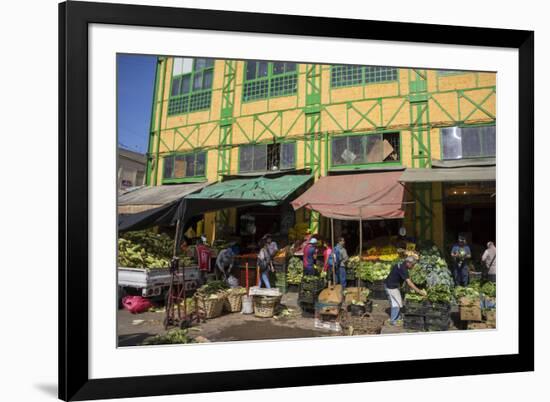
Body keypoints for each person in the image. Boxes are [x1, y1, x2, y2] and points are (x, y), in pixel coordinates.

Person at [384, 256, 427, 325]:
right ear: (408, 263)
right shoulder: (403, 269)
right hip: (391, 286)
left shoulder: (401, 263)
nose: (413, 266)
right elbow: (409, 282)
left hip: (390, 284)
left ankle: (396, 318)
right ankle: (393, 321)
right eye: (412, 265)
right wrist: (420, 292)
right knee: (397, 304)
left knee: (397, 302)